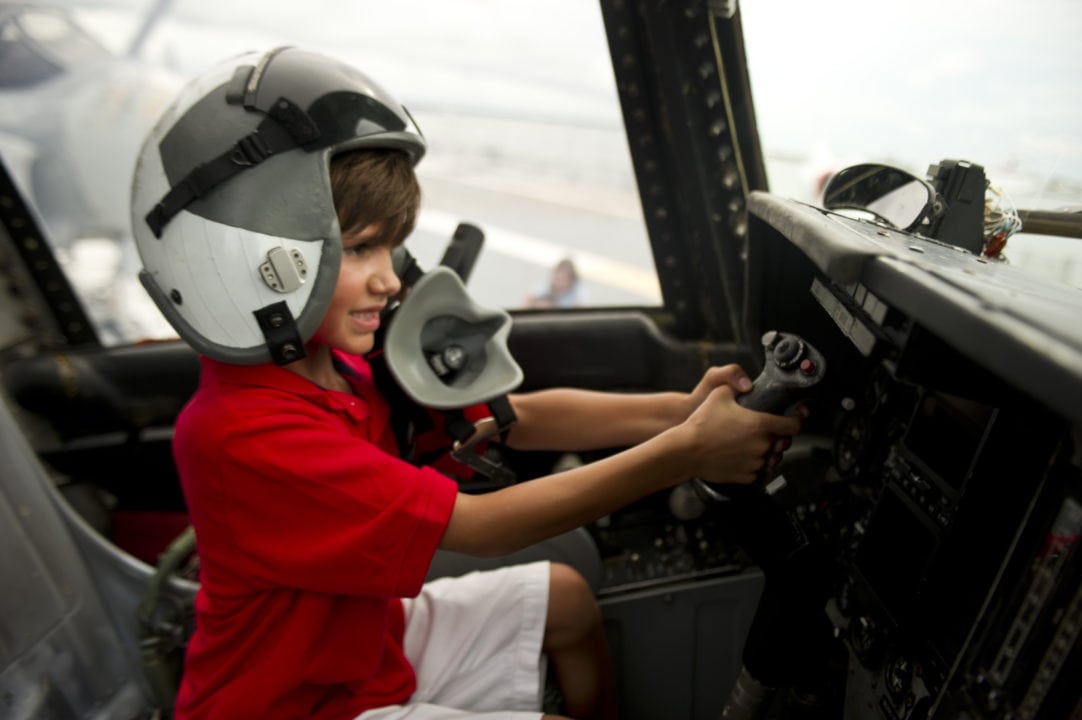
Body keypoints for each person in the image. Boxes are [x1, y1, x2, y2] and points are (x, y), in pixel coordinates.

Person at [131, 47, 802, 720]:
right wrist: (689, 453)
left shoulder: (343, 369)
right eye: (360, 249)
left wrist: (681, 413)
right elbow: (483, 527)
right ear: (253, 259)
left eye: (390, 249)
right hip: (292, 704)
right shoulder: (242, 434)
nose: (391, 279)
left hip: (360, 645)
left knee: (567, 599)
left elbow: (521, 416)